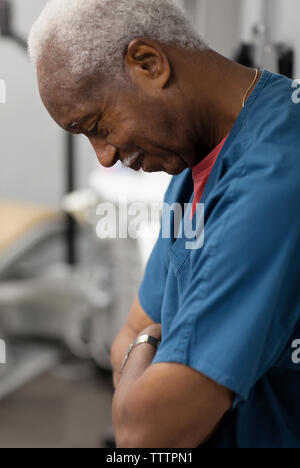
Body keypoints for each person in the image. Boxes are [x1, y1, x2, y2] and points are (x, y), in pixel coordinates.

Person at [28, 0, 300, 448]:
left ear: (149, 63)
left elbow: (145, 431)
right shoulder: (192, 165)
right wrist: (148, 342)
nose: (105, 156)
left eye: (97, 125)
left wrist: (151, 341)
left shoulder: (274, 174)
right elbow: (127, 338)